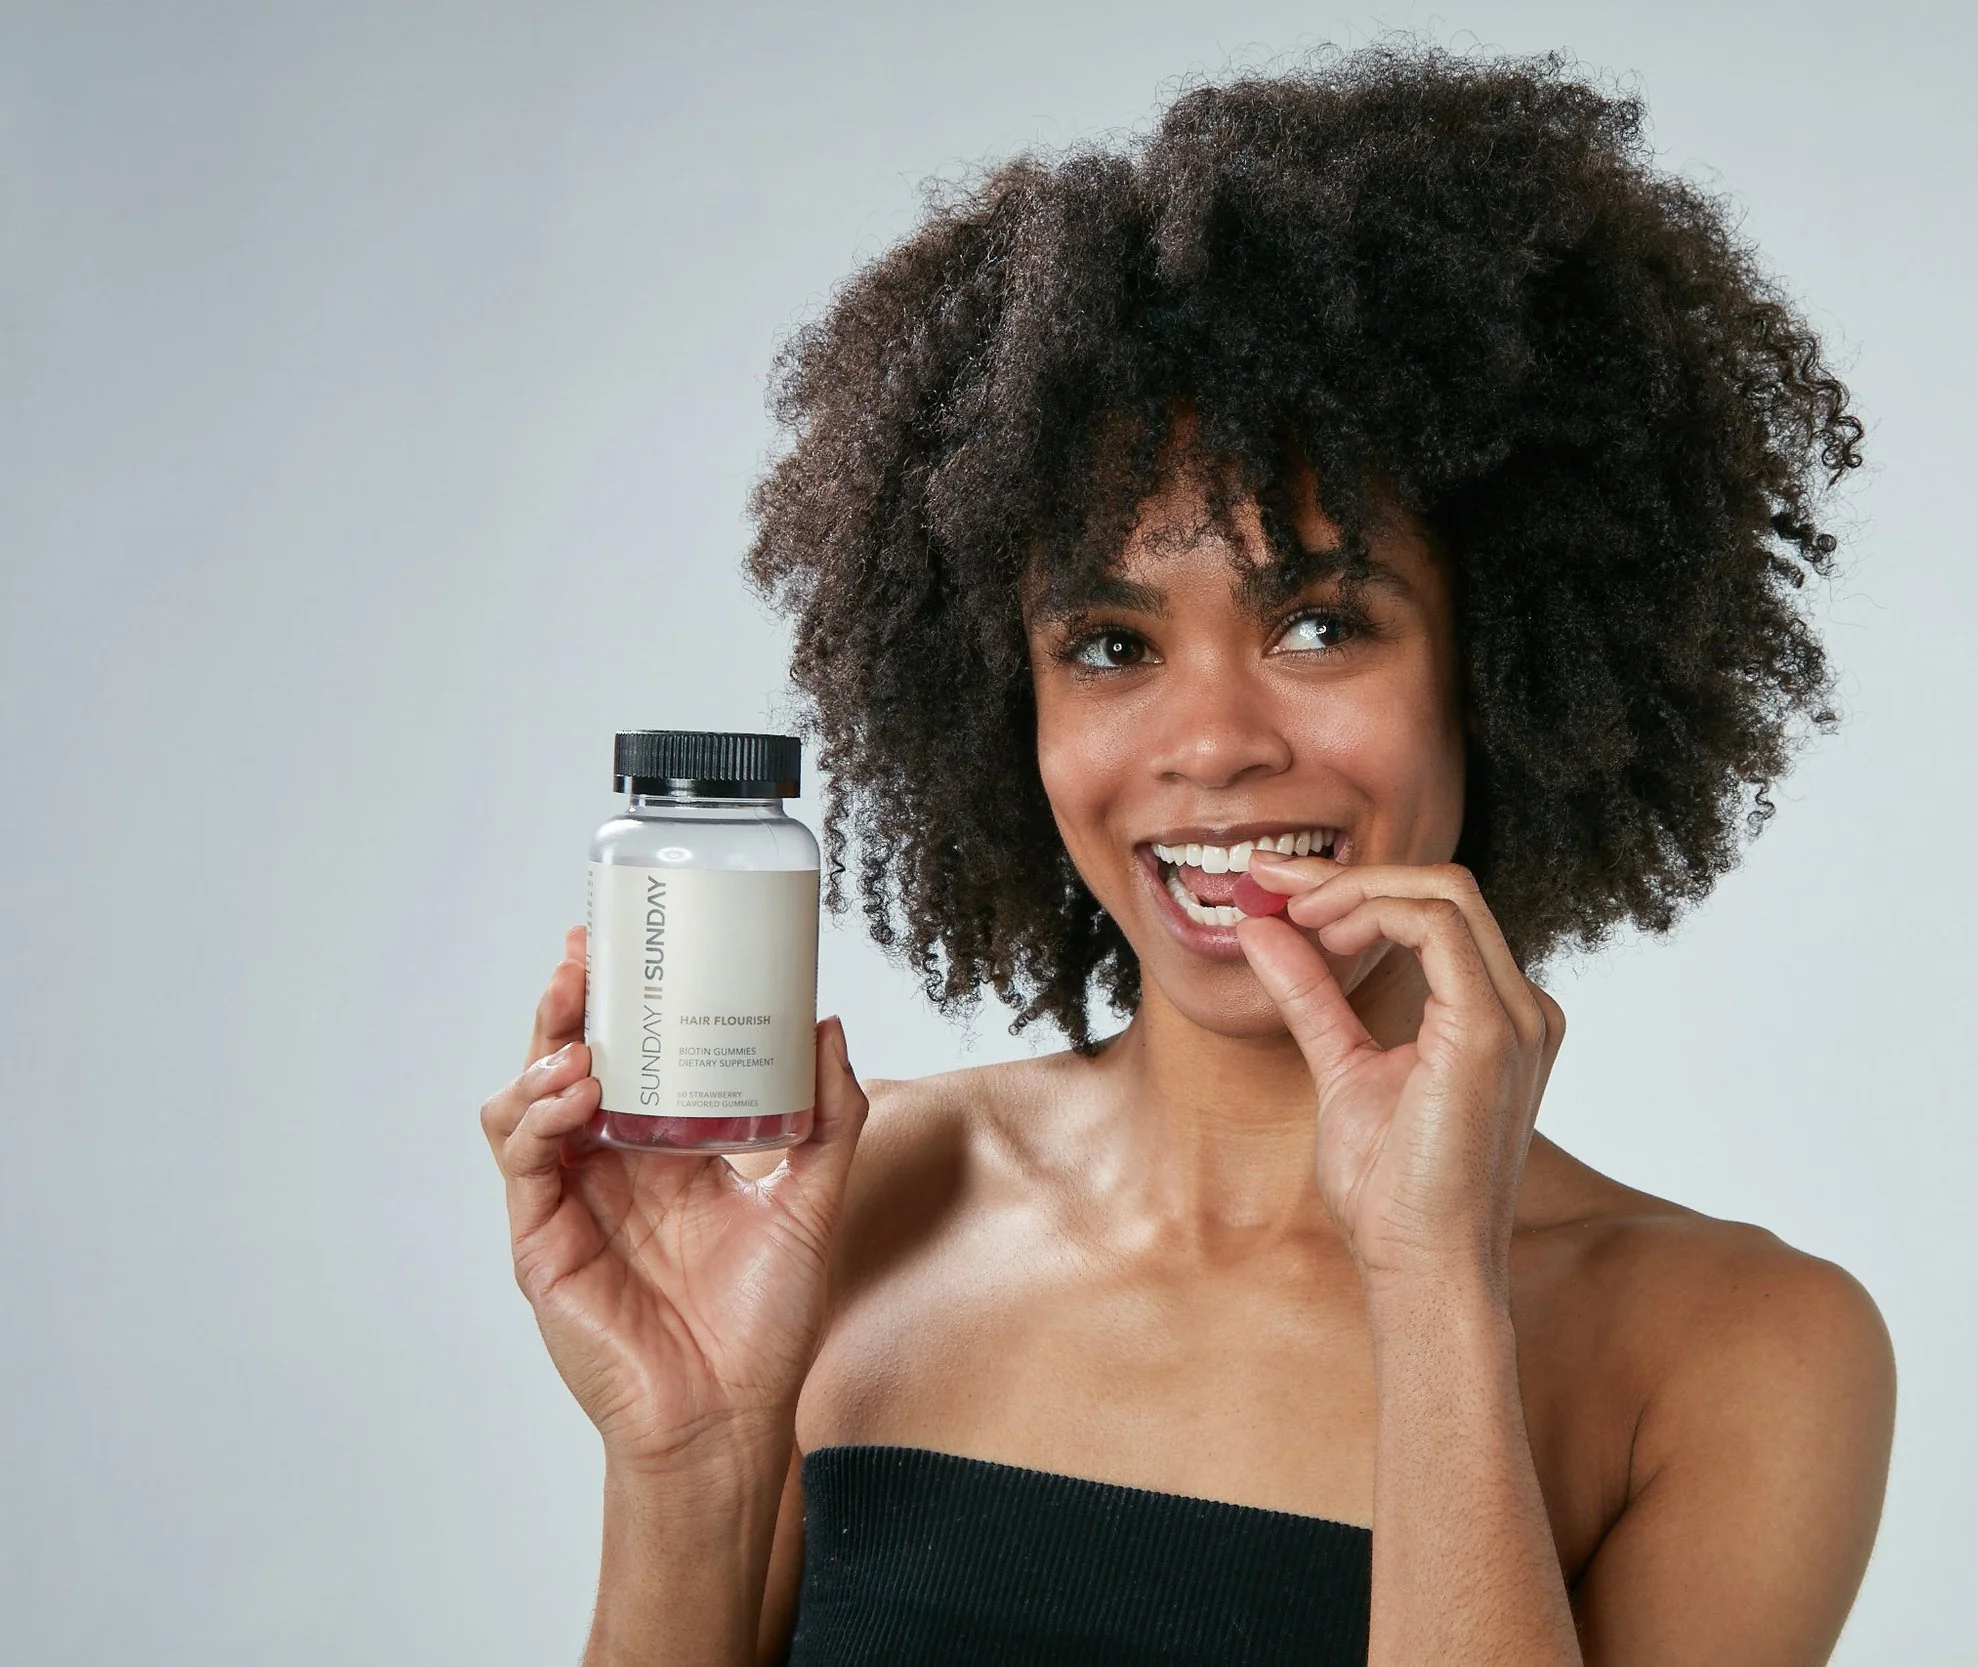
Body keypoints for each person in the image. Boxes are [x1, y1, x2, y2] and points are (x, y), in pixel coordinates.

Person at [483, 45, 1894, 1667]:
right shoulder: (854, 1199)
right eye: (1110, 643)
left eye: (1319, 622)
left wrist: (1434, 1283)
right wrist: (689, 1460)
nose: (1210, 742)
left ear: (1502, 661)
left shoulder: (1737, 1352)